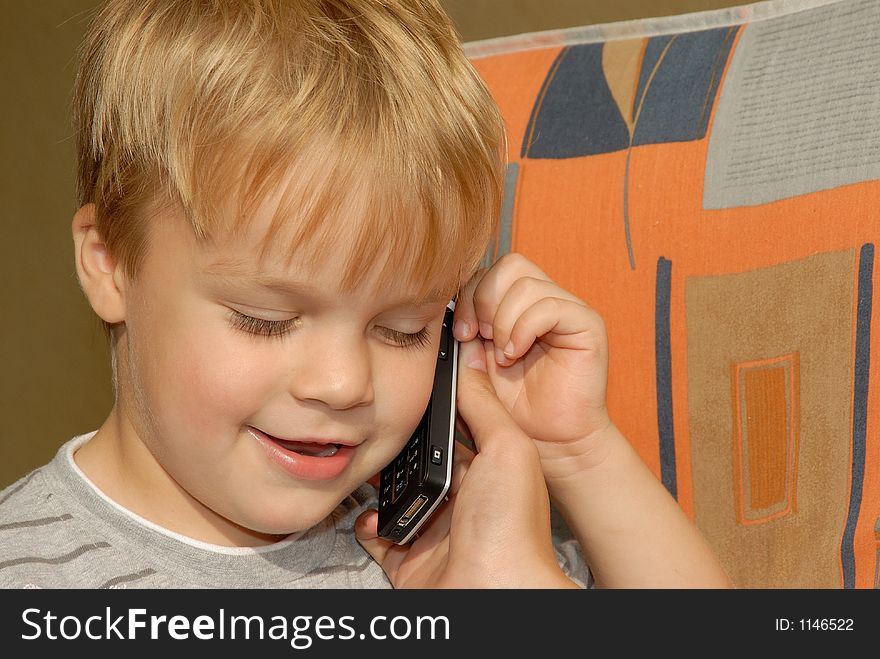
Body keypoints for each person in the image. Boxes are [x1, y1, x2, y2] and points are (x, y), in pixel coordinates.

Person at [0, 0, 730, 589]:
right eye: (267, 320)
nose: (345, 383)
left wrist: (578, 453)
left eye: (405, 328)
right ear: (109, 262)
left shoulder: (442, 539)